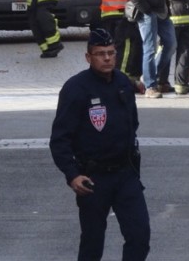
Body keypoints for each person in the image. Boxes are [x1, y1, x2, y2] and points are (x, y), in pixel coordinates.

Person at [50, 28, 150, 261]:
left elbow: (132, 123)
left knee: (139, 236)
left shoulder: (123, 83)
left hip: (125, 174)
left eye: (111, 53)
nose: (107, 58)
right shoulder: (76, 89)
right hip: (93, 178)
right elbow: (60, 139)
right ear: (88, 57)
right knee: (93, 243)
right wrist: (72, 175)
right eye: (100, 54)